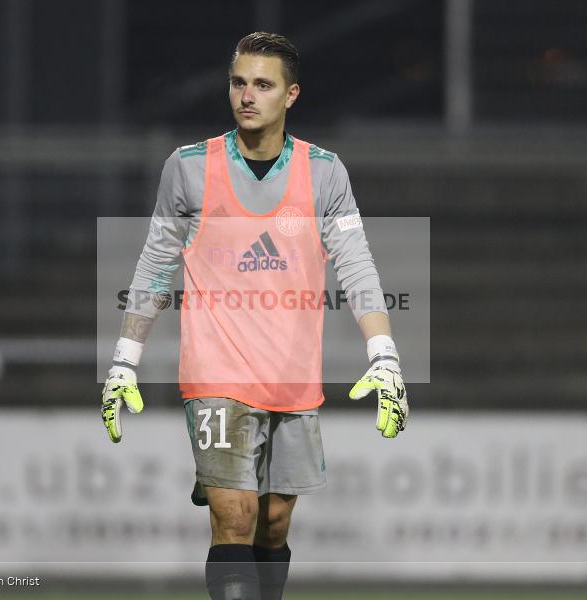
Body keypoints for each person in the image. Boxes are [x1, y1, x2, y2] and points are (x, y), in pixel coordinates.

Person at [101, 32, 408, 600]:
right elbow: (153, 265)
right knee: (235, 516)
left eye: (262, 85)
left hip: (292, 379)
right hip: (215, 376)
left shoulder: (323, 173)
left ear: (291, 95)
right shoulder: (189, 168)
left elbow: (358, 265)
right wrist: (124, 361)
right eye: (239, 82)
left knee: (273, 524)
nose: (247, 95)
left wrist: (384, 356)